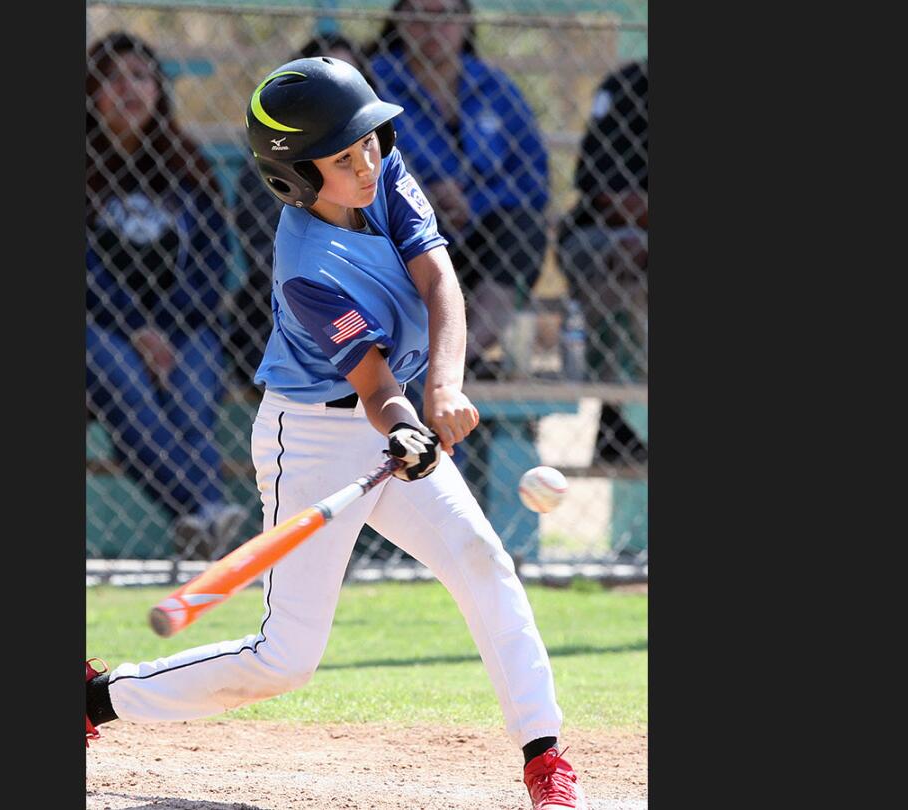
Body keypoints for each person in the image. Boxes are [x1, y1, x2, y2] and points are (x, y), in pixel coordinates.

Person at [86, 57, 584, 809]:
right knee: (285, 660)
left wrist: (443, 389)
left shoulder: (383, 175)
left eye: (369, 143)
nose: (367, 161)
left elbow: (439, 279)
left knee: (483, 559)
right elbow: (376, 383)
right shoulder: (306, 268)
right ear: (295, 178)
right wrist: (410, 422)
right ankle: (95, 700)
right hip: (312, 440)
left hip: (400, 429)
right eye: (343, 156)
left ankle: (544, 755)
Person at [85, 31, 249, 559]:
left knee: (191, 404)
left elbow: (210, 265)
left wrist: (167, 331)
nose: (126, 88)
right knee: (126, 389)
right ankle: (205, 510)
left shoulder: (187, 164)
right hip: (102, 324)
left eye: (139, 75)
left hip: (183, 326)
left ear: (158, 89)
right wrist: (138, 329)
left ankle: (201, 523)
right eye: (110, 77)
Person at [366, 0, 550, 378]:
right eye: (419, 15)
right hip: (404, 239)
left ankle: (450, 361)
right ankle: (410, 355)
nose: (433, 29)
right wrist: (422, 198)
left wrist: (476, 203)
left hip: (480, 242)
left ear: (466, 20)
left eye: (445, 15)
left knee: (524, 228)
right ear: (398, 19)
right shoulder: (373, 83)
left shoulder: (495, 88)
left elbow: (533, 179)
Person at [226, 32, 381, 389]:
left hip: (373, 310)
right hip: (291, 310)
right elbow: (270, 256)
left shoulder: (382, 160)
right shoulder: (271, 164)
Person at [556, 60, 648, 464]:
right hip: (607, 234)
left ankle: (617, 422)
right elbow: (608, 197)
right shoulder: (631, 85)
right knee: (622, 260)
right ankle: (615, 419)